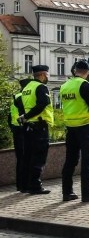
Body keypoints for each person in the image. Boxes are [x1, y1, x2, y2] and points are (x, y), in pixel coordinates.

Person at [60, 60, 89, 202]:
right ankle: (88, 193)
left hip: (70, 127)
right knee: (88, 161)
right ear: (87, 72)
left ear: (74, 71)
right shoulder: (84, 85)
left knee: (70, 161)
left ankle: (67, 192)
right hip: (85, 127)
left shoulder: (64, 86)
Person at [18, 65, 53, 194]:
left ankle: (25, 185)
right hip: (39, 127)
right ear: (43, 75)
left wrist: (25, 117)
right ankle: (35, 186)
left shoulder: (27, 88)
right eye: (48, 75)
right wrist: (27, 116)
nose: (48, 77)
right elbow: (42, 104)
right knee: (38, 157)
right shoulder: (41, 87)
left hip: (28, 127)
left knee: (27, 156)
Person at [9, 79, 29, 191]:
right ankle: (24, 185)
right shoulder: (23, 97)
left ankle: (20, 184)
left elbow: (9, 116)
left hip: (16, 130)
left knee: (20, 158)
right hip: (22, 129)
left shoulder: (16, 97)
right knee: (25, 158)